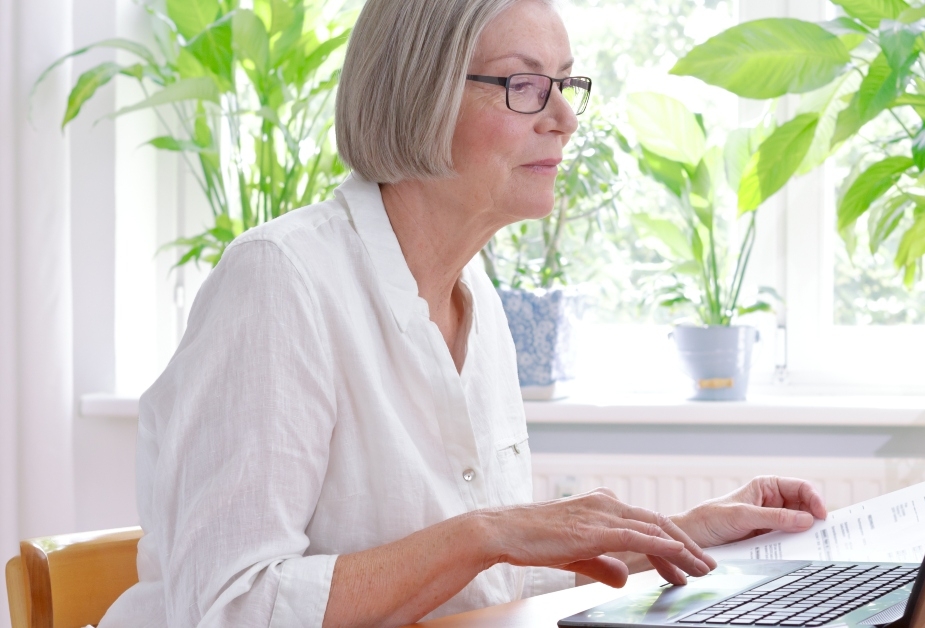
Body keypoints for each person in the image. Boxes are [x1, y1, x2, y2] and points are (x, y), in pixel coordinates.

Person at [99, 0, 828, 626]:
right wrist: (483, 534)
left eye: (566, 83)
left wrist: (680, 535)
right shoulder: (279, 282)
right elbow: (228, 607)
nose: (565, 118)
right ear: (420, 93)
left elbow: (486, 585)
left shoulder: (475, 306)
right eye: (524, 85)